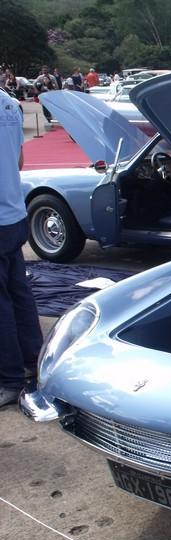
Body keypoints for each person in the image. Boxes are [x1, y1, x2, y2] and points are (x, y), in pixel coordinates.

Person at [0, 90, 43, 406]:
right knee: (19, 293)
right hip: (14, 212)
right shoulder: (8, 102)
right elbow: (18, 160)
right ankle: (33, 361)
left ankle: (10, 379)